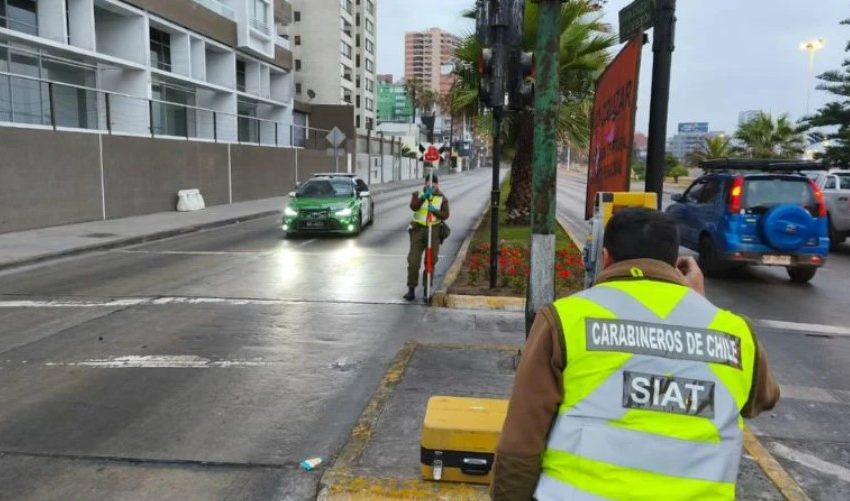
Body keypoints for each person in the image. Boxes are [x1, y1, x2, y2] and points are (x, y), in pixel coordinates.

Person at [491, 208, 780, 501]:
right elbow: (762, 398)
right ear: (676, 264)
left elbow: (522, 439)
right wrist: (699, 302)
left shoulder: (566, 319)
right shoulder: (733, 331)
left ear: (605, 258)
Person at [404, 174, 450, 301]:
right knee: (413, 261)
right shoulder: (418, 194)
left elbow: (445, 215)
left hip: (433, 231)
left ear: (437, 184)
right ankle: (411, 289)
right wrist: (423, 197)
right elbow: (413, 207)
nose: (430, 185)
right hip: (418, 230)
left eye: (433, 183)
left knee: (430, 261)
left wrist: (434, 210)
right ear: (424, 184)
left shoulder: (442, 198)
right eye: (427, 183)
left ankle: (426, 290)